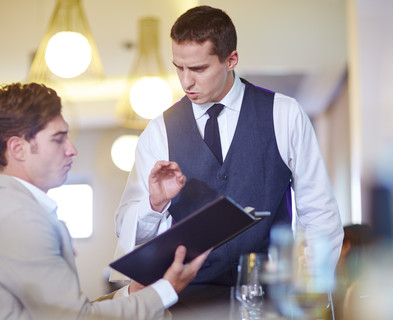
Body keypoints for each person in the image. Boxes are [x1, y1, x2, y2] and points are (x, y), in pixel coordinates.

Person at [114, 4, 343, 308]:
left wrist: (310, 294)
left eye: (198, 69)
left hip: (271, 298)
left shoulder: (284, 114)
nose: (186, 82)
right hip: (187, 304)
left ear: (231, 59)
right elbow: (128, 229)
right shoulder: (158, 132)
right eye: (179, 67)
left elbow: (318, 213)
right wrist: (155, 204)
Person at [0, 82, 210, 320]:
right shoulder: (19, 220)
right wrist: (167, 290)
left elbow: (64, 312)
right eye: (58, 139)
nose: (72, 149)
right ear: (18, 149)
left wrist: (132, 293)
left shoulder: (12, 210)